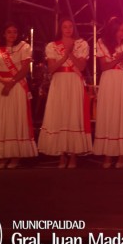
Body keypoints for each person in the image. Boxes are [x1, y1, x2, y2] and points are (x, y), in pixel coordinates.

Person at [0, 22, 37, 169]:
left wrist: (10, 83)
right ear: (3, 34)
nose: (12, 34)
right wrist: (3, 80)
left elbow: (25, 70)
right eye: (9, 31)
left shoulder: (23, 47)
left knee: (15, 117)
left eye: (15, 31)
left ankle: (15, 155)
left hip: (16, 85)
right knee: (1, 118)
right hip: (0, 84)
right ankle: (2, 155)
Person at [38, 18, 91, 168]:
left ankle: (73, 154)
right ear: (60, 29)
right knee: (60, 115)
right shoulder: (52, 46)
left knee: (73, 115)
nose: (68, 29)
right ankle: (62, 155)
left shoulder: (81, 44)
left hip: (74, 81)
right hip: (59, 81)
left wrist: (71, 54)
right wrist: (65, 55)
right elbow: (51, 68)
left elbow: (80, 67)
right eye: (65, 27)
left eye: (70, 27)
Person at [94, 19, 123, 169]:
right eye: (121, 30)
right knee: (110, 113)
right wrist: (116, 59)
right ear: (113, 30)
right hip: (109, 80)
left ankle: (122, 153)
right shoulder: (102, 42)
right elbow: (103, 67)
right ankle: (108, 153)